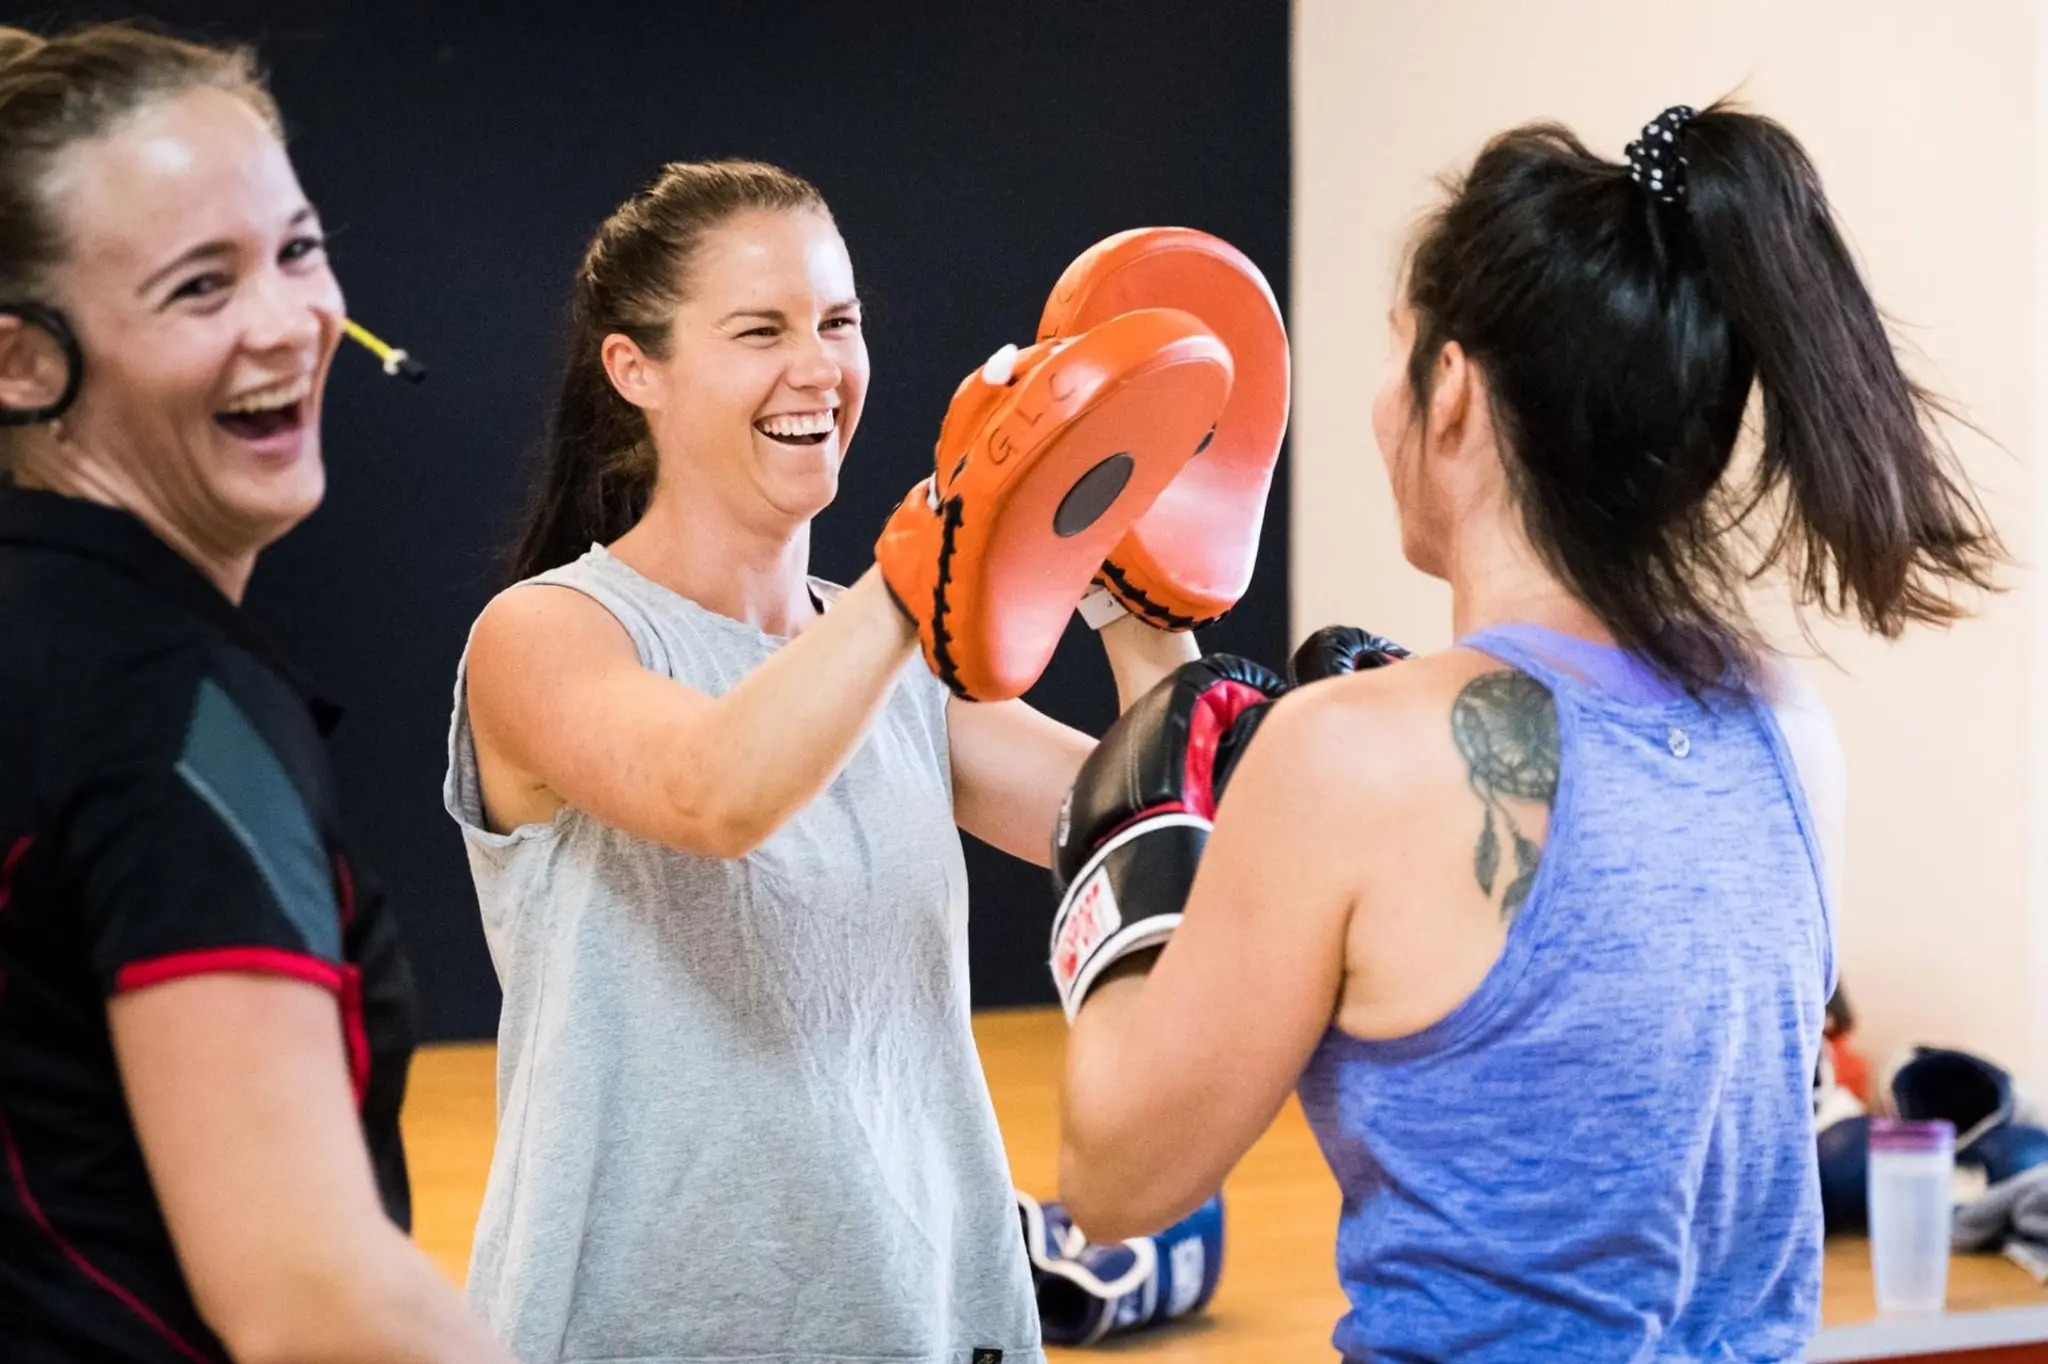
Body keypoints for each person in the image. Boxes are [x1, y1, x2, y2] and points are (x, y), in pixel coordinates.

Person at [1046, 102, 2001, 1360]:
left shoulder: (1355, 755)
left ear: (1450, 389)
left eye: (1394, 354)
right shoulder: (1778, 725)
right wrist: (1131, 637)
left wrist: (1127, 867)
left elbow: (1117, 1174)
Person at [444, 160, 1217, 1362]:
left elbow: (1156, 846)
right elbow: (716, 789)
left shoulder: (898, 662)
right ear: (632, 368)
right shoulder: (546, 636)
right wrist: (934, 554)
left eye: (838, 322)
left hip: (919, 1312)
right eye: (760, 329)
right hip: (638, 1325)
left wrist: (1133, 596)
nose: (818, 368)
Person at [0, 21, 514, 1363]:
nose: (291, 324)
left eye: (297, 250)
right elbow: (314, 1298)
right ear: (16, 362)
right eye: (198, 288)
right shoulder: (166, 714)